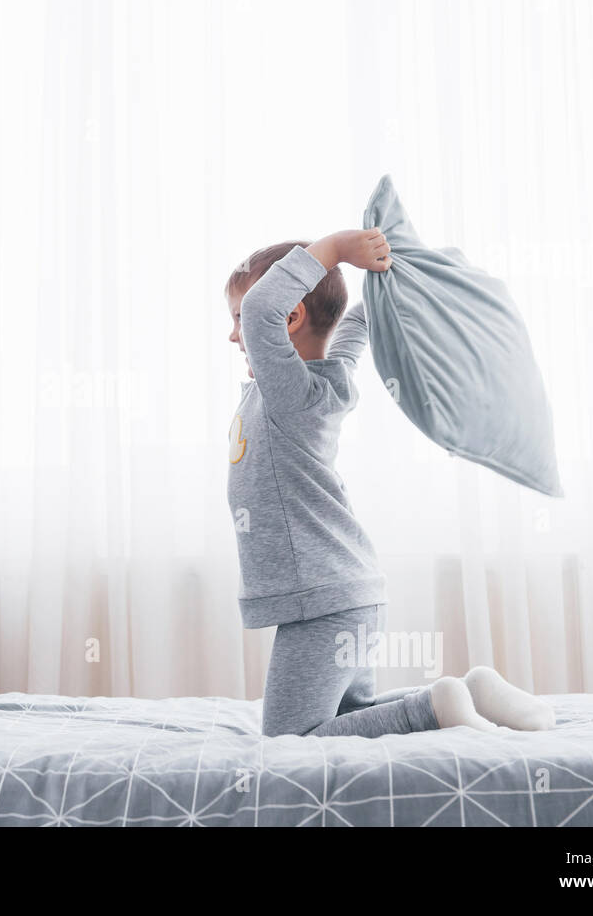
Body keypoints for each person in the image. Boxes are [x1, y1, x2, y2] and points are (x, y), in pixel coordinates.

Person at [224, 229, 555, 737]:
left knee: (289, 739)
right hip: (344, 592)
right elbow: (361, 321)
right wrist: (390, 274)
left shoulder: (289, 392)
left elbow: (262, 310)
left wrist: (334, 251)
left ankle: (435, 709)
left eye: (237, 322)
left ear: (289, 318)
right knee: (345, 721)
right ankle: (466, 694)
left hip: (322, 599)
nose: (235, 335)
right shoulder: (326, 378)